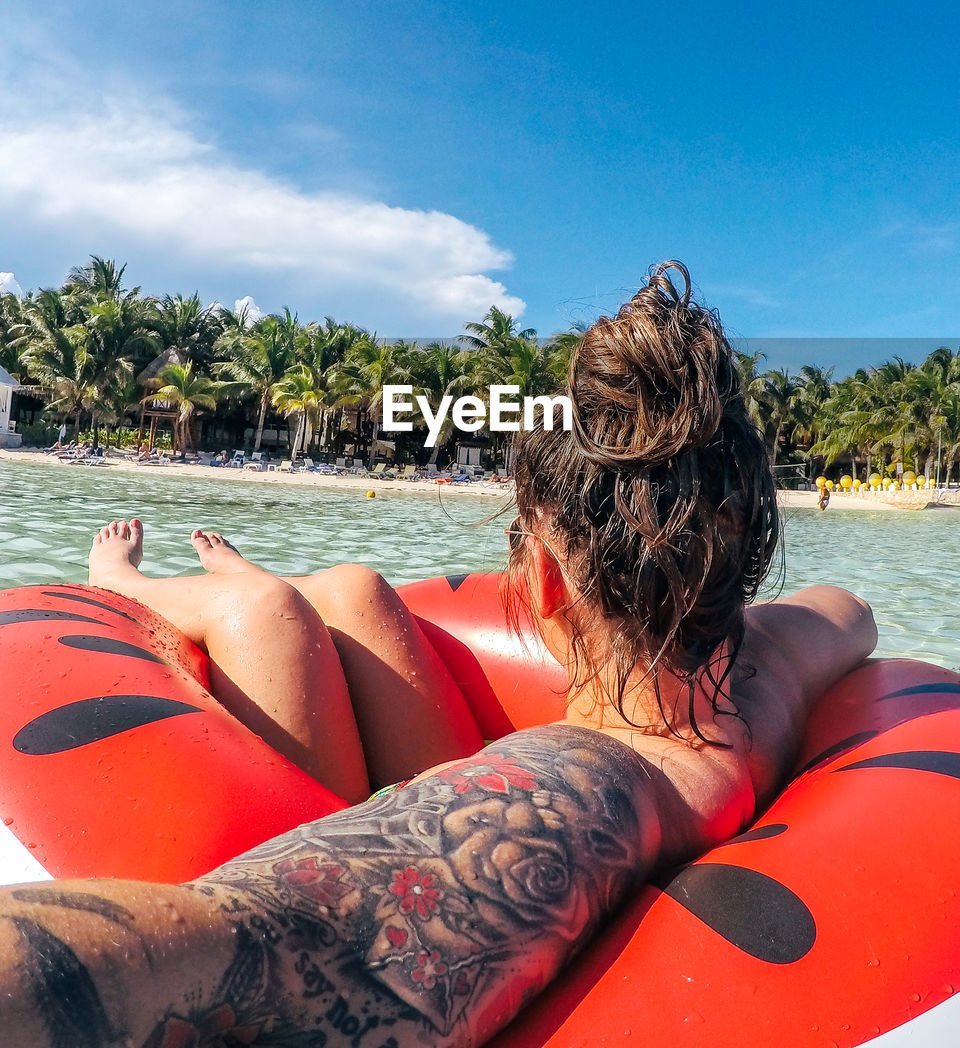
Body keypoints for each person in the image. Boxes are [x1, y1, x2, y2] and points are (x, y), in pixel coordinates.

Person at [0, 263, 876, 1046]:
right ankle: (251, 586)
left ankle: (135, 580)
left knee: (258, 611)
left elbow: (290, 945)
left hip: (380, 806)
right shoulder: (785, 660)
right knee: (353, 592)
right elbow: (852, 610)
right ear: (744, 550)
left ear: (543, 577)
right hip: (688, 652)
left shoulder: (586, 784)